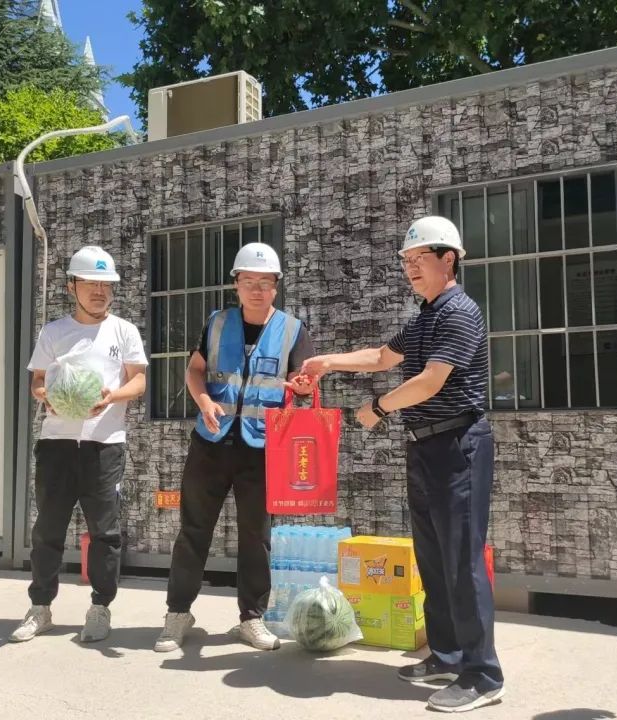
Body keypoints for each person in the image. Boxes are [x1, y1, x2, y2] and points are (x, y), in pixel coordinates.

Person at [301, 216, 504, 713]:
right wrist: (327, 361)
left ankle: (483, 675)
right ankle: (448, 655)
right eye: (406, 261)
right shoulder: (425, 317)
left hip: (458, 445)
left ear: (448, 259)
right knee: (433, 558)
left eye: (419, 259)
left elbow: (432, 381)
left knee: (462, 561)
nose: (411, 268)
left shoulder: (459, 312)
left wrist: (378, 407)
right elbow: (380, 357)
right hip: (425, 447)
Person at [154, 242, 315, 653]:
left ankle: (251, 619)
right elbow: (195, 370)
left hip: (261, 448)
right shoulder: (218, 322)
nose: (256, 290)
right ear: (236, 285)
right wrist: (203, 401)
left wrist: (302, 386)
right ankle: (177, 613)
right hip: (211, 442)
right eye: (248, 281)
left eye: (265, 282)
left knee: (256, 536)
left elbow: (305, 382)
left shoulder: (293, 330)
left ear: (276, 286)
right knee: (193, 530)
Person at [10, 245, 148, 643]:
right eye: (90, 283)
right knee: (47, 529)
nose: (99, 292)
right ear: (72, 286)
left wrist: (112, 396)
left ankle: (100, 608)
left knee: (105, 531)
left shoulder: (124, 331)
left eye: (106, 285)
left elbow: (139, 380)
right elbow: (38, 381)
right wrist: (48, 397)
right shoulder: (54, 332)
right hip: (56, 443)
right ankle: (40, 608)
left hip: (104, 444)